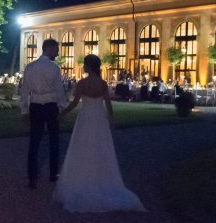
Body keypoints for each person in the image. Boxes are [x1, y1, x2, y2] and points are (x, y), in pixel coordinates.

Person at [54, 54, 146, 213]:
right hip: (99, 118)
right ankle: (103, 178)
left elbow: (75, 103)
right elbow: (108, 104)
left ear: (89, 66)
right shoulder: (103, 84)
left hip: (86, 117)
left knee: (82, 147)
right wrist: (111, 119)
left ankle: (81, 179)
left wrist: (62, 113)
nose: (83, 67)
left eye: (84, 64)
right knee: (100, 148)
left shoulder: (82, 83)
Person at [20, 39, 67, 189]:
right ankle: (53, 174)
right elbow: (59, 90)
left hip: (35, 105)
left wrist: (24, 110)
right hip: (50, 104)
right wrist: (62, 107)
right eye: (57, 49)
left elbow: (24, 90)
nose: (58, 53)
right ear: (49, 49)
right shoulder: (54, 68)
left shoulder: (30, 67)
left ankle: (32, 178)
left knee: (34, 142)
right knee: (54, 141)